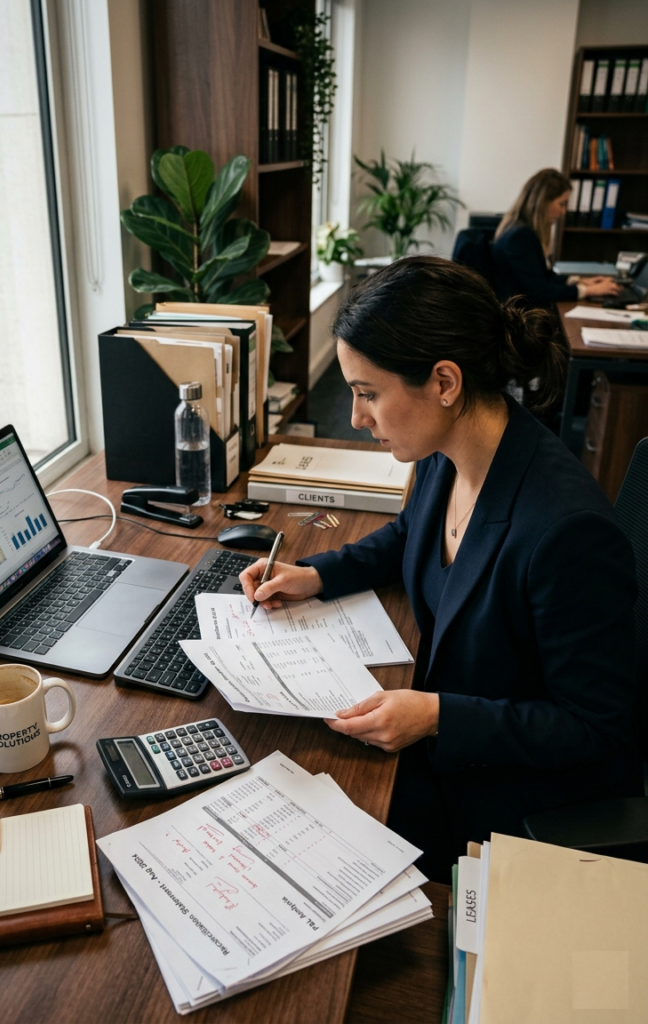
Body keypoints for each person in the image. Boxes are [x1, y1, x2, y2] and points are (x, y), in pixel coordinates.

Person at [239, 256, 641, 882]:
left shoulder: (565, 532)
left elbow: (598, 731)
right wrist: (316, 575)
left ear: (444, 382)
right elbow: (410, 535)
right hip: (438, 747)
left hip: (503, 799)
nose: (356, 417)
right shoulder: (445, 451)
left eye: (368, 393)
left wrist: (436, 716)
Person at [492, 168, 620, 308]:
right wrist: (589, 291)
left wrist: (579, 281)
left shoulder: (521, 230)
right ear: (543, 202)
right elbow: (539, 291)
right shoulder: (519, 237)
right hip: (520, 317)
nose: (563, 211)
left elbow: (544, 277)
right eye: (561, 204)